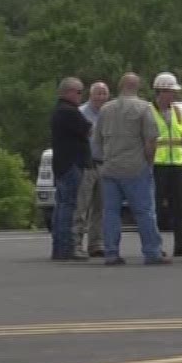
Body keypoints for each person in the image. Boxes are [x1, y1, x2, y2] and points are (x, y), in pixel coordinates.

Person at [94, 72, 168, 266]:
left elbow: (97, 141)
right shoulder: (143, 108)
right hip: (135, 168)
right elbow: (151, 140)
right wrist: (149, 162)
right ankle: (152, 252)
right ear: (138, 87)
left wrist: (104, 159)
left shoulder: (106, 109)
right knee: (144, 212)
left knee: (110, 212)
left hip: (110, 168)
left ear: (119, 86)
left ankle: (111, 252)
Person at [150, 72, 182, 258]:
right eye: (171, 92)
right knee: (154, 208)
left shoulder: (177, 110)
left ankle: (181, 246)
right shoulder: (149, 111)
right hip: (157, 164)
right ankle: (155, 246)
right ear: (161, 91)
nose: (174, 95)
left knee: (180, 207)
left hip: (178, 163)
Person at [48, 77, 92, 261]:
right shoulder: (69, 112)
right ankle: (66, 247)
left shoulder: (58, 111)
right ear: (69, 92)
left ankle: (58, 246)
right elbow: (87, 129)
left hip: (62, 164)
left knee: (61, 204)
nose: (81, 96)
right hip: (72, 163)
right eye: (79, 92)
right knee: (68, 205)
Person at [72, 80, 110, 258]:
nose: (101, 97)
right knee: (81, 206)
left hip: (105, 163)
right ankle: (76, 244)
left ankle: (96, 244)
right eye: (98, 93)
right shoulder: (81, 113)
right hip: (86, 164)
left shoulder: (110, 113)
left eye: (104, 94)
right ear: (91, 95)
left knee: (100, 207)